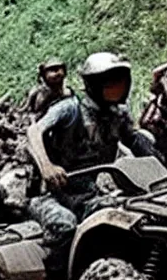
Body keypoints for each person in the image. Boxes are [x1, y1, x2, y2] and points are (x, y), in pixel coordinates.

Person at [26, 52, 159, 252]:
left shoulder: (118, 115)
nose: (116, 88)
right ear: (93, 84)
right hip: (55, 196)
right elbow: (33, 132)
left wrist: (163, 174)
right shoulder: (70, 108)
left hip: (89, 194)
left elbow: (137, 143)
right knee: (65, 227)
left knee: (134, 214)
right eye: (110, 83)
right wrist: (47, 167)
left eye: (119, 82)